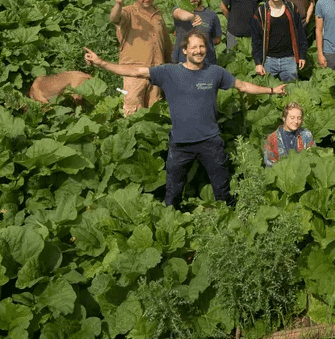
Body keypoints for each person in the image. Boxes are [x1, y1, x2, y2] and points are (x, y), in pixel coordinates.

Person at [84, 31, 286, 207]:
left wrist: (272, 90)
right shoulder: (169, 72)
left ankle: (229, 221)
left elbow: (242, 85)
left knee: (222, 190)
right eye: (194, 47)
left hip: (211, 141)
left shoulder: (215, 72)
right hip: (180, 144)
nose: (199, 50)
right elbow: (135, 71)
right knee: (172, 192)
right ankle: (172, 217)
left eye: (202, 46)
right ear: (185, 51)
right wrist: (101, 63)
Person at [109, 0, 171, 115]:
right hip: (133, 70)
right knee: (133, 110)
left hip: (155, 70)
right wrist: (118, 4)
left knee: (154, 110)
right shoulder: (128, 12)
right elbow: (114, 18)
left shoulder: (157, 14)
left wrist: (171, 65)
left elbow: (166, 42)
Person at [250, 0, 308, 82]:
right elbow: (256, 40)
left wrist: (302, 55)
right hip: (269, 60)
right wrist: (258, 63)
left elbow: (300, 33)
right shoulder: (260, 12)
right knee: (268, 92)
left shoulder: (291, 8)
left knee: (291, 91)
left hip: (289, 59)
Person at [172, 0, 222, 67]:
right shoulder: (179, 9)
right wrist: (192, 17)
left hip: (206, 63)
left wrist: (203, 43)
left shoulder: (211, 15)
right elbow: (179, 14)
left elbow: (217, 39)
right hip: (182, 62)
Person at [263, 101, 315, 167]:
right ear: (284, 118)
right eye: (292, 118)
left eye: (299, 118)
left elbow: (313, 157)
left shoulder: (307, 135)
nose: (296, 121)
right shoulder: (272, 139)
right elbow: (269, 165)